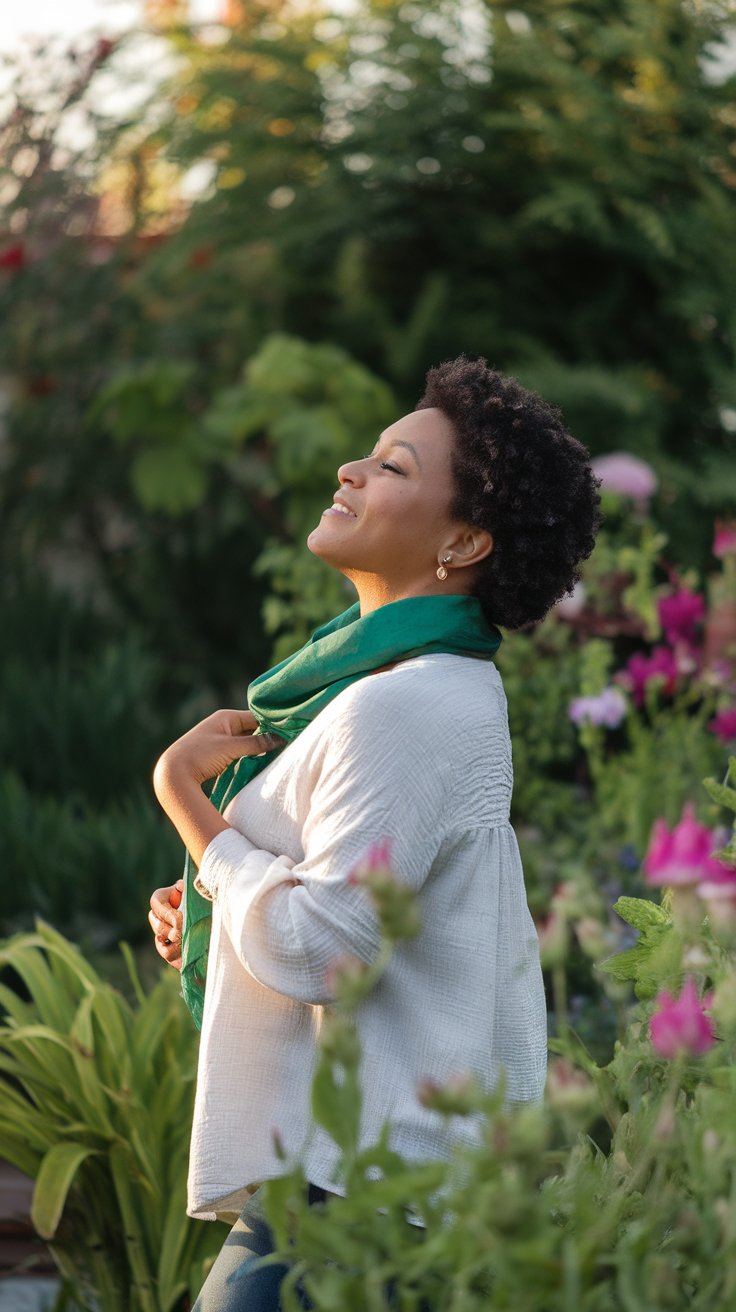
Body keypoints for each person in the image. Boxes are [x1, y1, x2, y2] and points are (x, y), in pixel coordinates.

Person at [148, 355, 602, 1311]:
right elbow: (366, 917)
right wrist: (212, 898)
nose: (352, 471)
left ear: (463, 541)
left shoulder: (403, 704)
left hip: (347, 1197)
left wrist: (185, 798)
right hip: (368, 1185)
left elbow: (326, 951)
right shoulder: (423, 687)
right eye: (369, 456)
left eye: (393, 467)